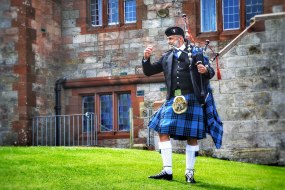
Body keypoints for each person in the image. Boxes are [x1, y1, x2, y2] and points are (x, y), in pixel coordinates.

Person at [142, 26, 216, 183]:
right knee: (162, 130)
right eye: (168, 39)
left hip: (191, 98)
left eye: (170, 39)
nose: (168, 41)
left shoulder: (195, 53)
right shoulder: (167, 56)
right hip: (172, 100)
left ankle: (189, 173)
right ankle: (167, 171)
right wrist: (146, 58)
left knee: (192, 135)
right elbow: (149, 71)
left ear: (180, 39)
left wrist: (204, 70)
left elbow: (210, 71)